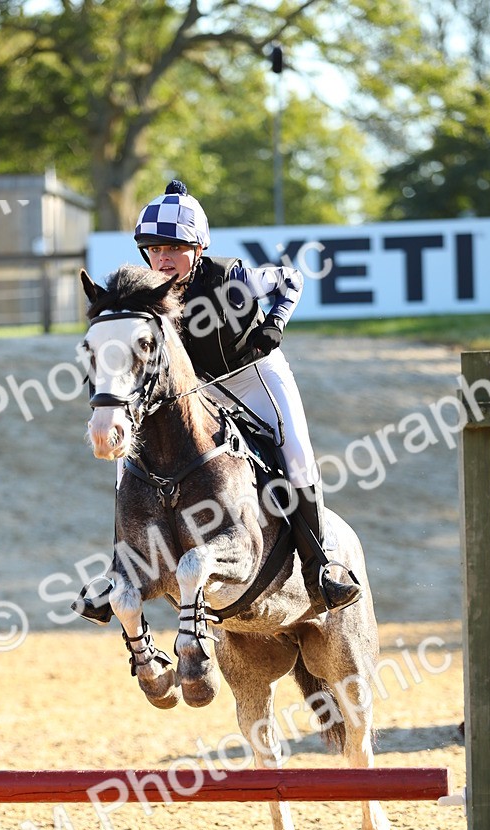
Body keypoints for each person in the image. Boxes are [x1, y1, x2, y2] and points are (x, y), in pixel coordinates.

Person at [74, 179, 362, 623]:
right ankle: (118, 572)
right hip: (200, 389)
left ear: (199, 247)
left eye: (175, 248)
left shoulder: (232, 276)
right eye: (153, 249)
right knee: (124, 460)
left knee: (297, 454)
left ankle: (320, 565)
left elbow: (291, 279)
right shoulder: (145, 296)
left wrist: (275, 323)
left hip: (254, 375)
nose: (162, 258)